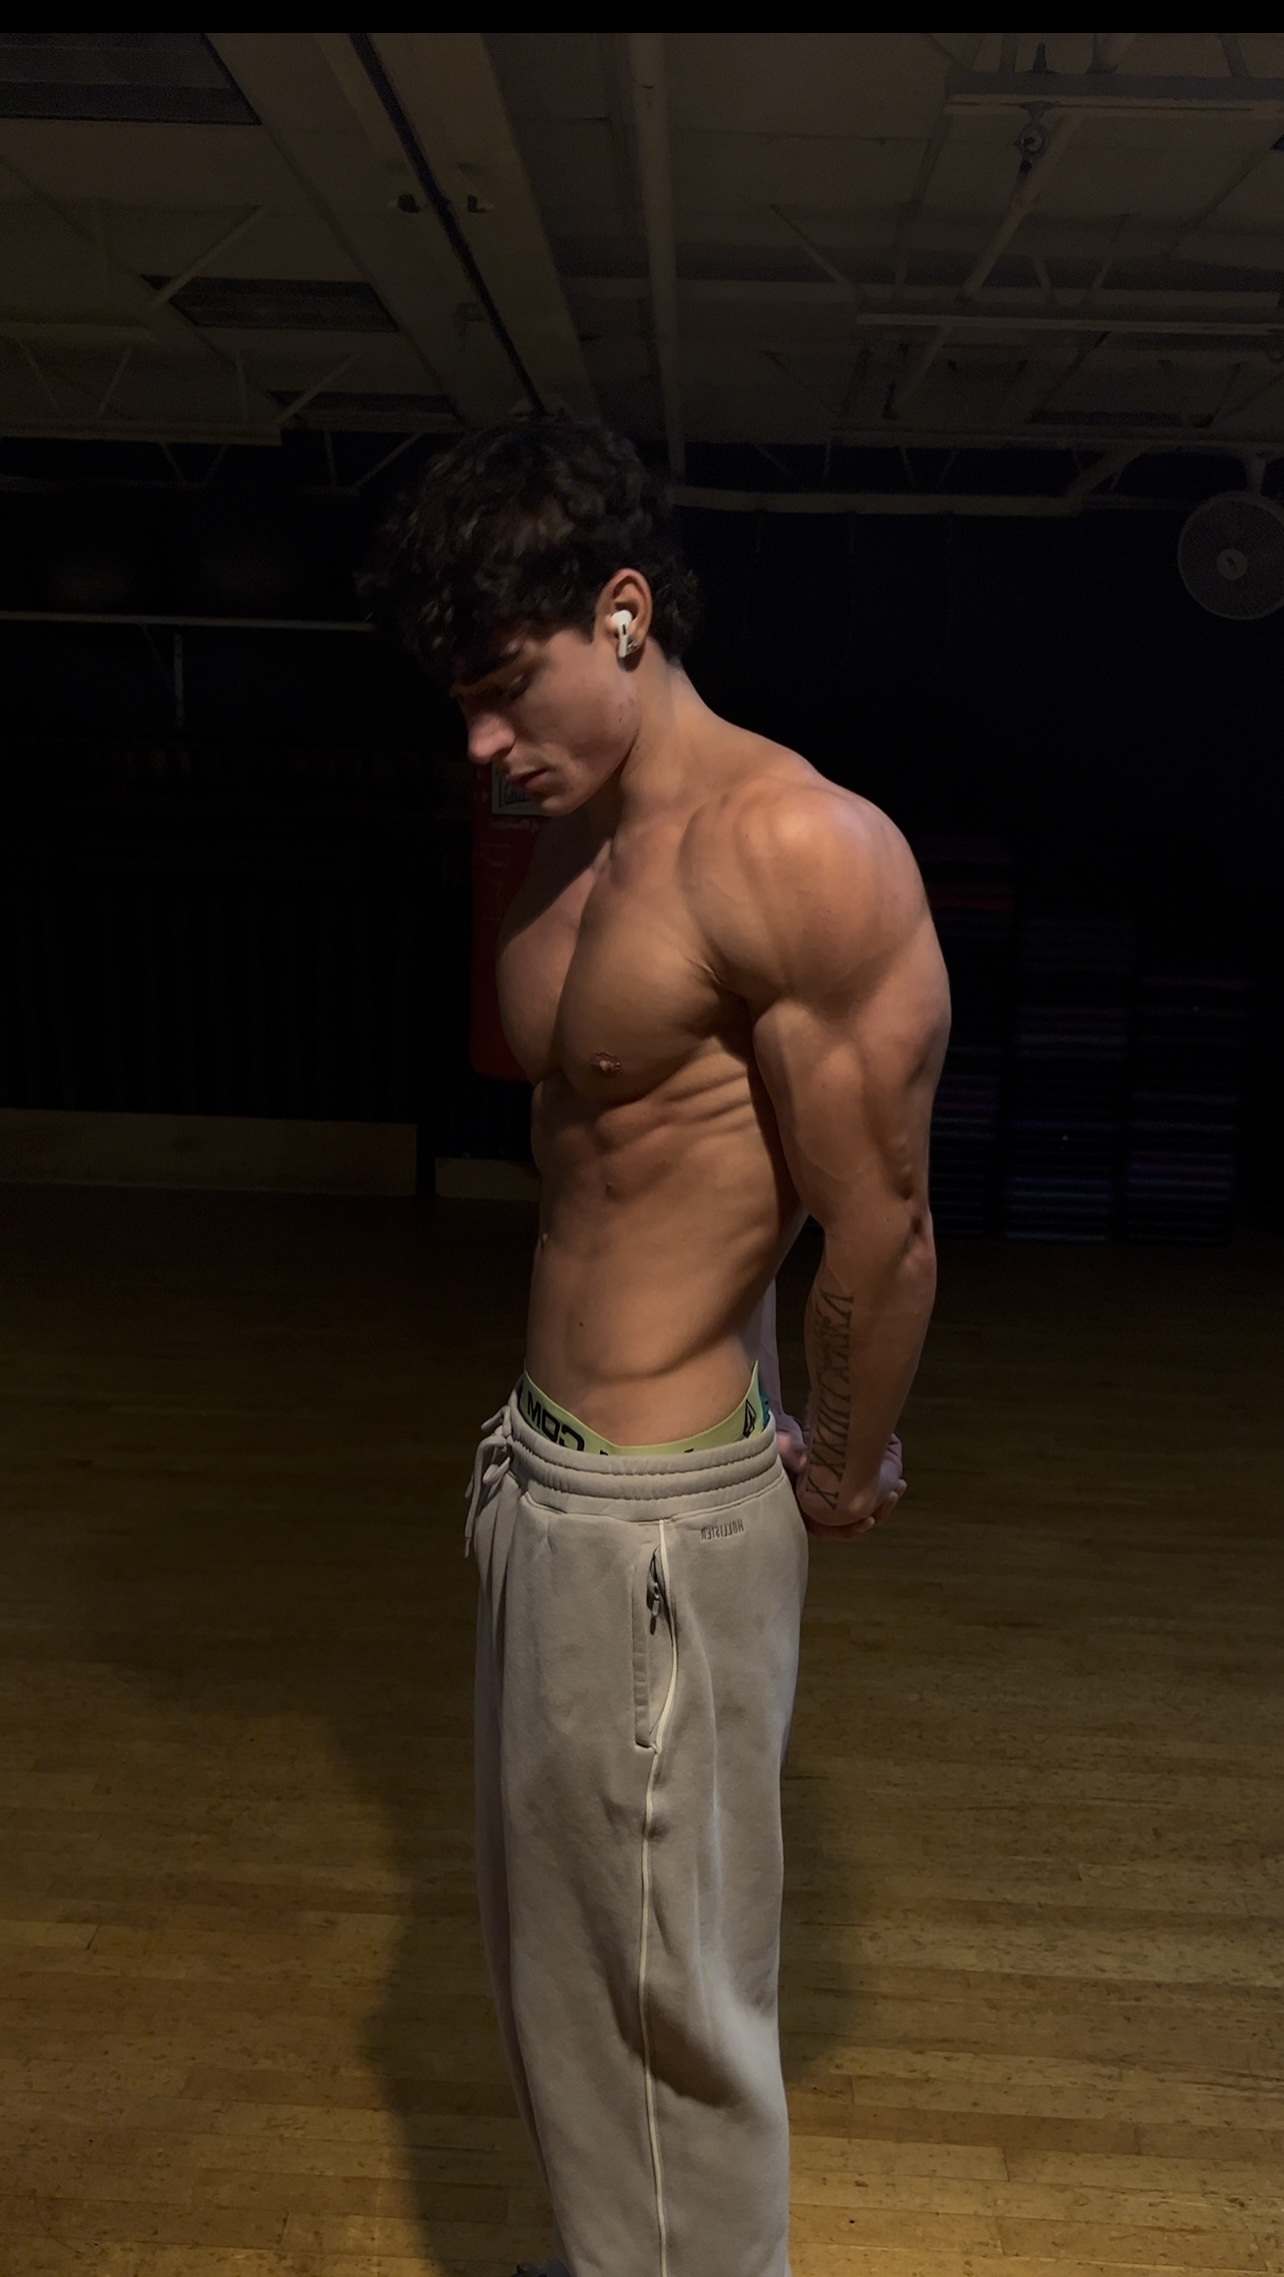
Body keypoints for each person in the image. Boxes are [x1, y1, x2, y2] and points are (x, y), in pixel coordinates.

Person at [364, 415, 950, 2277]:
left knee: (671, 2008)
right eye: (458, 702)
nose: (480, 742)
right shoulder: (576, 832)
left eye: (503, 687)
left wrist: (836, 1469)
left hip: (655, 1525)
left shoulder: (798, 850)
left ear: (623, 615)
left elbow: (880, 1221)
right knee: (572, 1968)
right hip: (545, 1474)